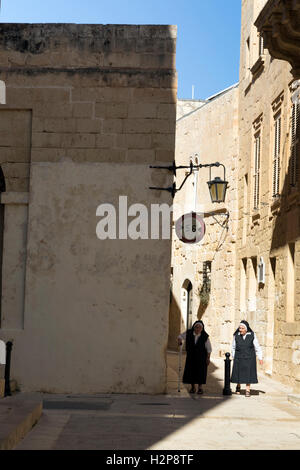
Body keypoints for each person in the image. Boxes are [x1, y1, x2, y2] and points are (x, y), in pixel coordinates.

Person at [177, 320, 212, 394]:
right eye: (196, 327)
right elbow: (180, 336)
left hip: (201, 358)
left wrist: (208, 358)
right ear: (194, 327)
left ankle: (200, 388)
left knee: (200, 372)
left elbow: (209, 349)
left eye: (199, 327)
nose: (198, 329)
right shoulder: (189, 333)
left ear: (202, 329)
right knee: (191, 372)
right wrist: (179, 340)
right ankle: (193, 387)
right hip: (191, 357)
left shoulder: (205, 336)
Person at [231, 320, 263, 397]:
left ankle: (247, 390)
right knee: (239, 373)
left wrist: (260, 357)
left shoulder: (252, 335)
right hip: (239, 358)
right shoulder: (236, 336)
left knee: (248, 374)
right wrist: (234, 356)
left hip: (249, 358)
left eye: (242, 328)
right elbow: (233, 347)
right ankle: (238, 386)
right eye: (239, 328)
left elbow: (257, 347)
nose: (240, 330)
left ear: (246, 329)